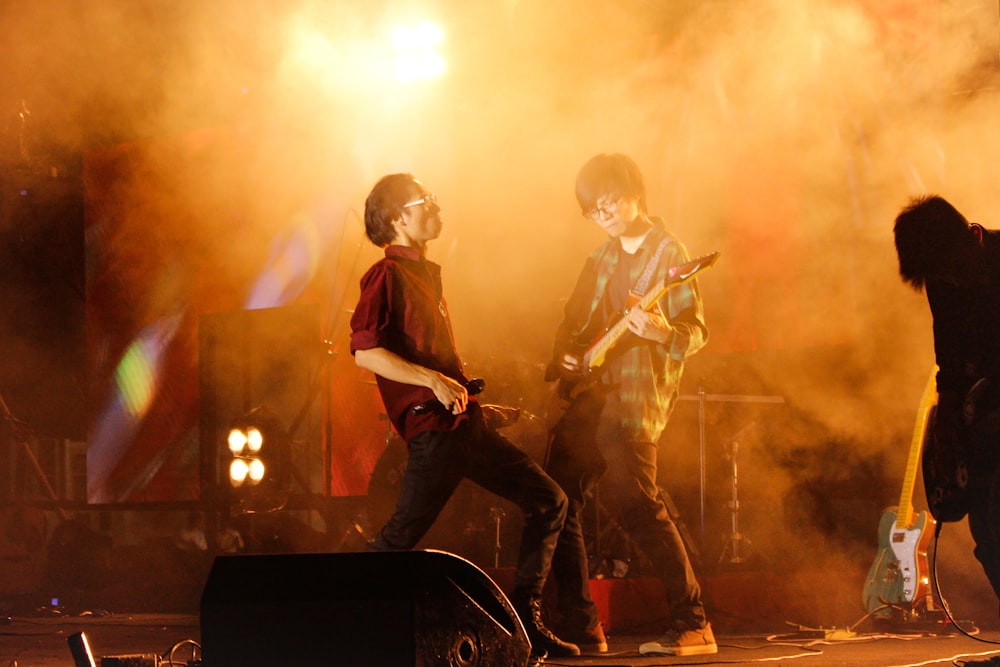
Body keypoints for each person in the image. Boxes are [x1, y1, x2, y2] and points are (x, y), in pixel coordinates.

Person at [349, 173, 579, 659]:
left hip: (459, 426)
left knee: (549, 500)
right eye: (424, 200)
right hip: (435, 431)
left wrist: (474, 405)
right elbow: (365, 353)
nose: (436, 205)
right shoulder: (386, 275)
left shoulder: (425, 276)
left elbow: (433, 361)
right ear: (397, 218)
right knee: (396, 541)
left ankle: (525, 627)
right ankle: (335, 627)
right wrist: (432, 382)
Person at [543, 153, 716, 656]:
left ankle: (694, 622)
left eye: (611, 201)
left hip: (636, 396)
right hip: (593, 394)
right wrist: (567, 357)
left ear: (635, 192)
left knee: (640, 504)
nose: (605, 214)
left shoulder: (670, 254)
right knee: (556, 498)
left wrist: (662, 331)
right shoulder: (599, 259)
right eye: (594, 210)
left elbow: (696, 330)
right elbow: (572, 321)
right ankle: (581, 625)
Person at [893, 194, 1000, 612]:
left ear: (968, 241)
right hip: (987, 417)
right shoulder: (944, 278)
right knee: (986, 532)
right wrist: (948, 424)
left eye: (949, 272)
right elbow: (950, 358)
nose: (945, 284)